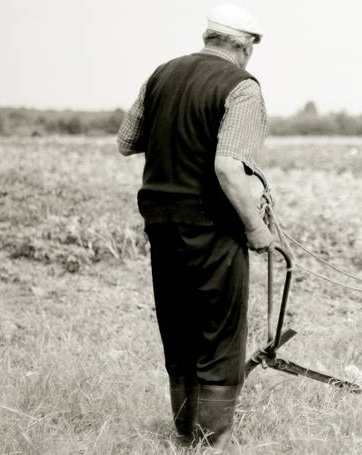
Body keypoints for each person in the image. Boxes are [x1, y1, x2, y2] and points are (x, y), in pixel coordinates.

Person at [116, 3, 272, 451]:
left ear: (209, 37)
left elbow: (126, 143)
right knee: (220, 332)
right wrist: (257, 230)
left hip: (161, 222)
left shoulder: (161, 74)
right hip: (212, 224)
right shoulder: (241, 87)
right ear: (244, 45)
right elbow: (228, 168)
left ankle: (184, 433)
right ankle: (212, 440)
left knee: (179, 325)